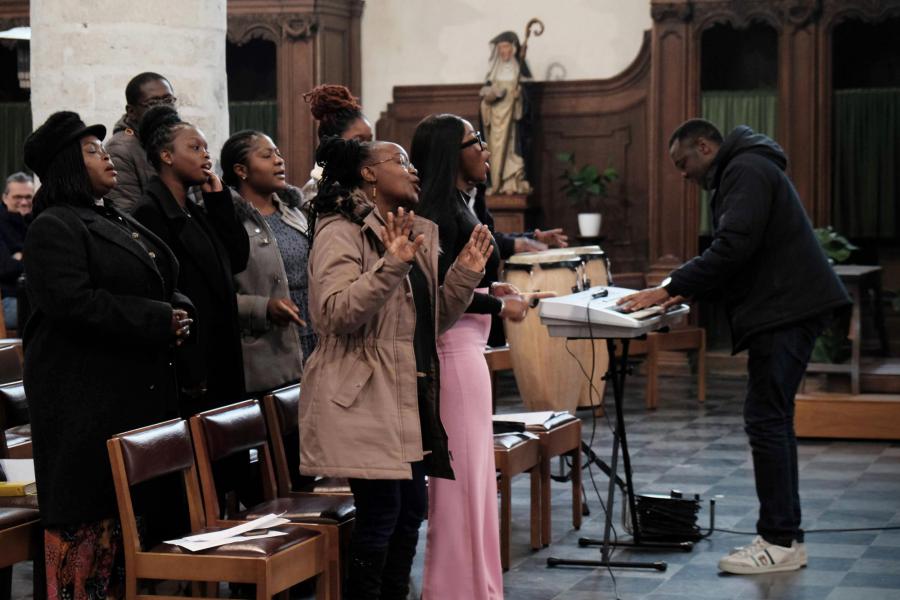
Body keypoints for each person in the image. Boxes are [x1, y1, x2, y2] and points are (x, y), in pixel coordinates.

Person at [619, 119, 851, 575]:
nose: (683, 174)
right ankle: (785, 538)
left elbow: (732, 248)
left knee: (766, 420)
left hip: (787, 310)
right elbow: (740, 254)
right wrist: (684, 291)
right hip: (788, 308)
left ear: (704, 146)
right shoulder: (746, 168)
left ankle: (779, 542)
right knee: (772, 420)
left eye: (683, 163)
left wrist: (668, 289)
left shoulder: (744, 169)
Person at [299, 136, 492, 599]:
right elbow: (332, 313)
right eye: (399, 161)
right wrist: (390, 266)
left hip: (404, 388)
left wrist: (463, 275)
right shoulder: (339, 231)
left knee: (409, 512)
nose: (412, 170)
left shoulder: (410, 229)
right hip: (362, 393)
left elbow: (426, 324)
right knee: (382, 515)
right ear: (368, 173)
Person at [22, 111, 192, 599]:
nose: (107, 157)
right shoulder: (53, 226)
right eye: (93, 152)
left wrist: (178, 310)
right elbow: (73, 304)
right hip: (84, 403)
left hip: (130, 396)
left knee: (131, 524)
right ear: (68, 167)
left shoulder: (109, 215)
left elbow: (163, 278)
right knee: (89, 527)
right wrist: (158, 318)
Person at [411, 113, 535, 599]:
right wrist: (497, 302)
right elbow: (438, 295)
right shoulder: (437, 212)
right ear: (448, 153)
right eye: (474, 141)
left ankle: (480, 587)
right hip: (453, 354)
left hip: (470, 352)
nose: (485, 148)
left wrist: (489, 287)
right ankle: (452, 589)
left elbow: (464, 280)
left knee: (478, 484)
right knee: (460, 487)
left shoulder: (463, 205)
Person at [133, 105, 249, 416]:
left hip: (221, 348)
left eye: (206, 148)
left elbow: (237, 260)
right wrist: (190, 367)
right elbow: (167, 294)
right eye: (195, 148)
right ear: (166, 156)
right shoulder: (150, 212)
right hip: (195, 358)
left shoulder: (195, 210)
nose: (205, 156)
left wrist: (219, 201)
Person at [220, 129, 308, 393]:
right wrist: (263, 307)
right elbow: (216, 296)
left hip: (312, 338)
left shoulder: (294, 213)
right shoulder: (227, 222)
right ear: (241, 170)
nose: (279, 160)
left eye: (279, 154)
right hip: (267, 348)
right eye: (267, 155)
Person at [105, 72, 177, 212]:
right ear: (131, 111)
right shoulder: (120, 149)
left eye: (168, 100)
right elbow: (127, 217)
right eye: (153, 103)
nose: (164, 108)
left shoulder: (180, 138)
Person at [300, 84, 373, 202]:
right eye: (359, 140)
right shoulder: (315, 194)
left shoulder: (367, 183)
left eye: (369, 141)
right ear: (333, 143)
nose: (368, 147)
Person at [480, 31, 533, 195]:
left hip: (512, 124)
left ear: (514, 49)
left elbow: (528, 105)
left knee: (511, 148)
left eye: (506, 47)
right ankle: (496, 182)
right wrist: (487, 101)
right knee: (495, 152)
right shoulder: (493, 73)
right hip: (495, 124)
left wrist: (519, 97)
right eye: (501, 48)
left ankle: (510, 183)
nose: (504, 52)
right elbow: (484, 100)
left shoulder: (519, 73)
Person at [0, 172, 33, 329]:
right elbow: (5, 268)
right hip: (8, 299)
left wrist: (20, 257)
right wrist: (34, 259)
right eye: (17, 197)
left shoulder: (38, 221)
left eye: (28, 197)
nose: (24, 202)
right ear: (5, 198)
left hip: (36, 295)